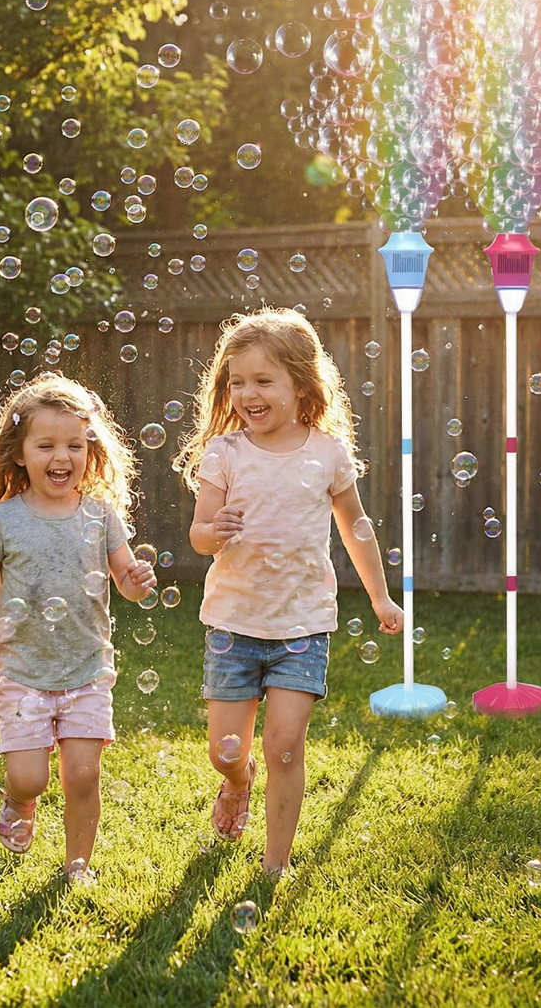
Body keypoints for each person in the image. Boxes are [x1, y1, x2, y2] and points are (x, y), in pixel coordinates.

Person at [174, 307, 402, 877]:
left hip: (302, 624)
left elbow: (356, 528)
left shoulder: (326, 453)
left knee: (284, 744)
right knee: (225, 752)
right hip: (234, 622)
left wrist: (379, 596)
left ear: (301, 385)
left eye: (262, 380)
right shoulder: (225, 453)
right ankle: (237, 782)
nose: (247, 393)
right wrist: (212, 531)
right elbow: (199, 535)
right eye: (237, 382)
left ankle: (276, 861)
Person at [0, 372, 157, 884]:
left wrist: (137, 582)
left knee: (83, 774)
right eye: (47, 444)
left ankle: (76, 863)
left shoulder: (101, 515)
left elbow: (124, 580)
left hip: (86, 668)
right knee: (29, 775)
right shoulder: (4, 520)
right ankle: (19, 798)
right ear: (19, 453)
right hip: (22, 669)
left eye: (74, 445)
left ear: (91, 451)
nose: (62, 456)